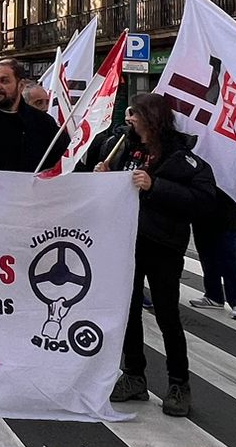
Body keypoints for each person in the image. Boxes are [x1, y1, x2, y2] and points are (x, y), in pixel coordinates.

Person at [85, 91, 216, 418]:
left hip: (162, 246)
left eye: (134, 113)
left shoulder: (182, 158)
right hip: (126, 243)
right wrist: (104, 179)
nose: (128, 119)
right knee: (127, 312)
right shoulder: (125, 148)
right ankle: (134, 375)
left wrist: (155, 186)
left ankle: (178, 383)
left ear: (151, 117)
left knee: (167, 314)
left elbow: (202, 203)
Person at [189, 186, 236, 322]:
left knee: (230, 259)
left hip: (228, 213)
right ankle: (213, 295)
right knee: (207, 256)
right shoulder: (203, 165)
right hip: (203, 213)